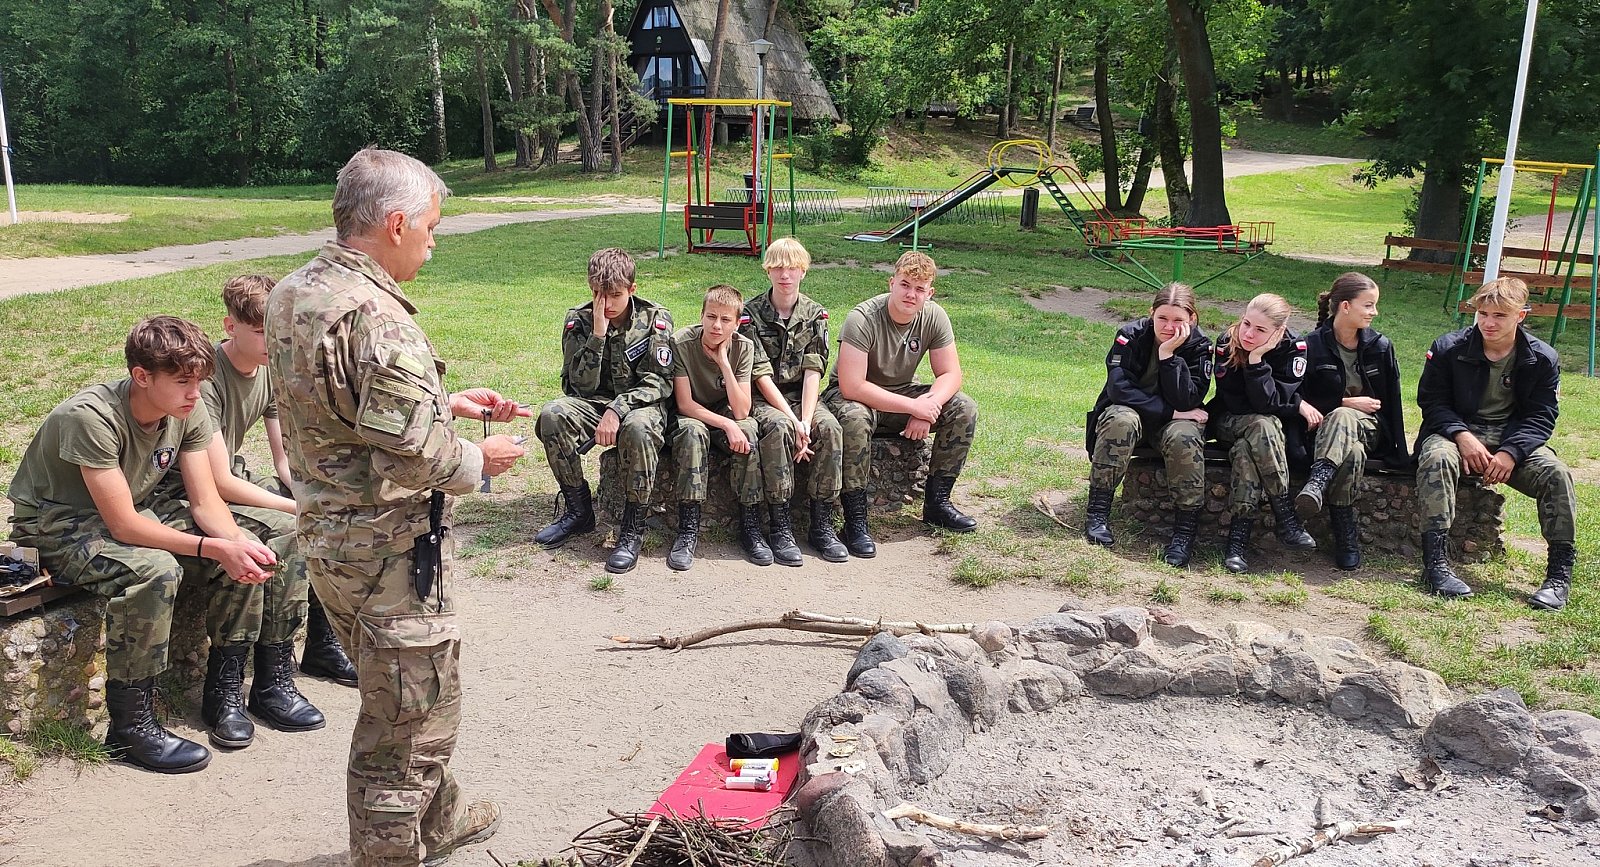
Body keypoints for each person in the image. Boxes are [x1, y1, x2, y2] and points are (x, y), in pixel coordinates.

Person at [266, 148, 527, 866]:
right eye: (431, 227)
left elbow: (342, 407)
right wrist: (479, 458)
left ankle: (437, 824)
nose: (433, 242)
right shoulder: (378, 318)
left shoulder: (295, 291)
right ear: (395, 222)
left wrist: (440, 402)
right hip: (389, 551)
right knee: (410, 722)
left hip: (330, 540)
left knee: (401, 694)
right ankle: (386, 854)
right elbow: (416, 458)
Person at [8, 316, 279, 774]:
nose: (195, 394)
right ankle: (130, 727)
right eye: (182, 382)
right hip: (56, 524)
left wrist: (235, 543)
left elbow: (206, 503)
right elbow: (125, 526)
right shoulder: (90, 417)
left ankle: (224, 693)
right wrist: (215, 548)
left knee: (244, 546)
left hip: (130, 509)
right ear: (142, 376)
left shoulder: (187, 410)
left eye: (199, 381)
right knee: (154, 571)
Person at [146, 277, 328, 752]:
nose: (274, 341)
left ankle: (286, 668)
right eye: (262, 331)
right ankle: (226, 687)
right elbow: (219, 483)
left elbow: (285, 459)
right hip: (184, 491)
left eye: (280, 330)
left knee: (311, 521)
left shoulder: (270, 369)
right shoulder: (205, 380)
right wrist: (297, 507)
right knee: (285, 531)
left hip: (227, 483)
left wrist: (309, 496)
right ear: (231, 327)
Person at [1415, 277, 1575, 607]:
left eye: (1500, 315)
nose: (1488, 323)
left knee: (1556, 473)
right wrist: (1462, 436)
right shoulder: (1449, 349)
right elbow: (1433, 402)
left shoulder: (1542, 358)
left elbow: (1541, 415)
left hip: (1510, 437)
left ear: (1521, 315)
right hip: (1456, 432)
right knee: (1437, 458)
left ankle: (1558, 576)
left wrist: (1511, 453)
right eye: (1483, 314)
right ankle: (1436, 565)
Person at [823, 250, 979, 547]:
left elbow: (951, 373)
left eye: (920, 289)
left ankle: (937, 503)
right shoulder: (862, 318)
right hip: (855, 396)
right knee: (855, 418)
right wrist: (914, 407)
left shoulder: (934, 316)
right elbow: (852, 386)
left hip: (902, 391)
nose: (911, 294)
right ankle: (855, 520)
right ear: (891, 283)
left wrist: (928, 407)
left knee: (963, 407)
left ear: (929, 293)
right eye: (905, 285)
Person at [534, 248, 674, 575]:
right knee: (553, 415)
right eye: (599, 294)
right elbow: (576, 387)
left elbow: (659, 381)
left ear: (632, 289)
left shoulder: (654, 320)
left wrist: (617, 408)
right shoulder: (579, 321)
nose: (607, 303)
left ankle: (633, 527)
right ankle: (578, 511)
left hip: (641, 406)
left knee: (638, 428)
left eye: (615, 295)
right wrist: (597, 335)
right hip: (594, 404)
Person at [1084, 283, 1212, 567]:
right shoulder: (1130, 335)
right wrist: (1170, 411)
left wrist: (1168, 356)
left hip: (1173, 423)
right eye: (1162, 318)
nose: (1169, 326)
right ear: (1151, 313)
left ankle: (1184, 532)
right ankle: (1098, 513)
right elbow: (1119, 389)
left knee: (1184, 436)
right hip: (1137, 414)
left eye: (1178, 320)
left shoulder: (1200, 346)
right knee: (1120, 419)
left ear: (1192, 319)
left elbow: (1189, 398)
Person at [741, 238, 849, 564]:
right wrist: (792, 419)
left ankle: (822, 524)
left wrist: (806, 419)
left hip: (802, 394)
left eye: (791, 267)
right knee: (778, 428)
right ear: (767, 271)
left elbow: (814, 371)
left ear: (803, 271)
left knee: (829, 428)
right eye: (777, 267)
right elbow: (760, 375)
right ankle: (780, 525)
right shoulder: (750, 314)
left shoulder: (815, 314)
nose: (784, 274)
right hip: (764, 396)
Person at [1291, 273, 1408, 570]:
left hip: (1371, 428)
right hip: (1323, 432)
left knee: (1345, 419)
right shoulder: (1311, 345)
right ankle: (1344, 532)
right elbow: (1299, 397)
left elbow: (1392, 401)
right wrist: (1343, 402)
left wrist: (1399, 453)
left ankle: (1317, 483)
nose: (1374, 312)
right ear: (1345, 306)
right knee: (1352, 452)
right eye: (1368, 305)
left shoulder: (1381, 346)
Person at [1207, 293, 1316, 573]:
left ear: (1278, 332)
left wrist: (1256, 360)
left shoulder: (1294, 347)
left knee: (1246, 451)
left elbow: (1275, 402)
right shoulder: (1227, 342)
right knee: (1261, 424)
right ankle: (1286, 516)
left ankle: (1237, 543)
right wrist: (1257, 363)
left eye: (1260, 330)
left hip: (1266, 434)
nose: (1248, 334)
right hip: (1229, 421)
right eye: (1246, 323)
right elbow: (1241, 403)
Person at [667, 285, 771, 570]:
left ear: (736, 324)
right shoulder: (682, 343)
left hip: (726, 409)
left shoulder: (743, 347)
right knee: (692, 433)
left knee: (748, 430)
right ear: (701, 315)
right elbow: (685, 404)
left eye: (725, 320)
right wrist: (726, 425)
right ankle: (688, 529)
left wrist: (724, 363)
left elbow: (741, 410)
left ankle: (750, 525)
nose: (716, 325)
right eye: (711, 317)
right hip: (694, 413)